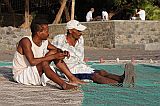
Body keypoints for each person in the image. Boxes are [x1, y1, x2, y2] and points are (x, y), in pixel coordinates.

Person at [52, 20, 135, 85]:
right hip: (71, 70)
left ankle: (122, 78)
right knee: (95, 76)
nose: (81, 33)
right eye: (78, 31)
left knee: (102, 72)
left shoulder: (80, 39)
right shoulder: (59, 39)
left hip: (81, 66)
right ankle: (119, 84)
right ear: (70, 31)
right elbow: (53, 53)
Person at [12, 20, 85, 90]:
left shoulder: (44, 41)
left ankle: (72, 78)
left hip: (35, 71)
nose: (48, 33)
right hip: (22, 75)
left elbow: (56, 50)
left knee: (54, 52)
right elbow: (32, 62)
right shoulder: (26, 41)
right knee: (45, 62)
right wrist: (54, 56)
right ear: (39, 33)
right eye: (46, 31)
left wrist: (63, 52)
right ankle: (63, 84)